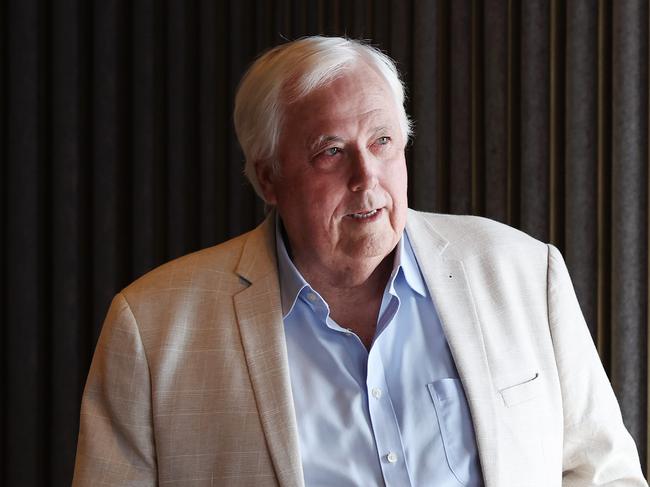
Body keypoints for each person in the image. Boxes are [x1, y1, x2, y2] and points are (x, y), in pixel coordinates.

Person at [72, 36, 646, 486]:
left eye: (381, 142)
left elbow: (602, 475)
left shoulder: (524, 272)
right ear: (269, 177)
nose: (366, 179)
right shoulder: (152, 328)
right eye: (330, 152)